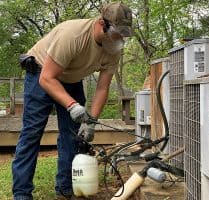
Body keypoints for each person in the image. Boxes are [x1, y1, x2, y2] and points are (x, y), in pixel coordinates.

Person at [11, 2, 133, 200]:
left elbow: (102, 87)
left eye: (123, 35)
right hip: (41, 73)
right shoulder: (73, 34)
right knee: (32, 133)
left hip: (71, 79)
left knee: (73, 135)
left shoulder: (114, 49)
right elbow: (46, 79)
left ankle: (65, 188)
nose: (119, 39)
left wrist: (91, 121)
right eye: (116, 33)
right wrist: (72, 105)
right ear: (102, 23)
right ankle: (22, 193)